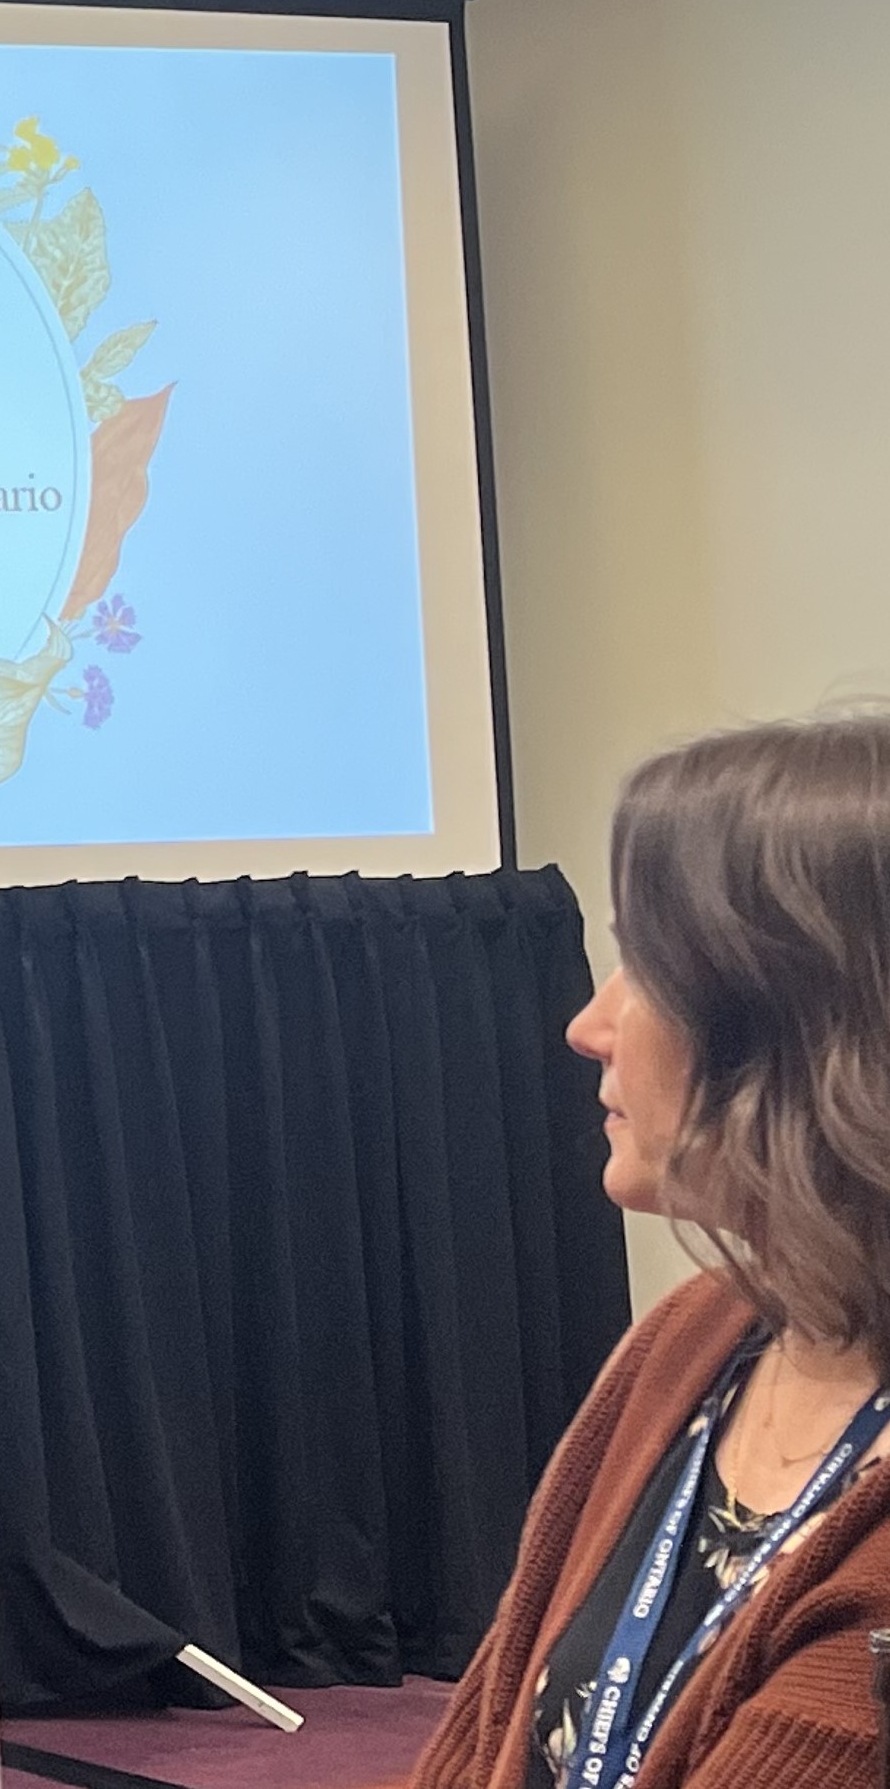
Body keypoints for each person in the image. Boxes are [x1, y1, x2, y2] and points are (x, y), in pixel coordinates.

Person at [408, 715, 890, 1789]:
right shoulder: (710, 1328)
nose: (590, 1022)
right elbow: (484, 1736)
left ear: (803, 1026)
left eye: (645, 964)